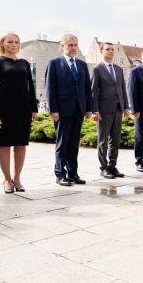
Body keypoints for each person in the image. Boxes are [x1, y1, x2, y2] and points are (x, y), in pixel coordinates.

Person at [0, 32, 38, 193]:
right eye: (10, 42)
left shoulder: (24, 63)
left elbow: (31, 85)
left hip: (23, 108)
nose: (14, 44)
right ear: (3, 44)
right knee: (4, 144)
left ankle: (17, 178)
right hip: (4, 109)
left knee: (21, 144)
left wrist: (34, 108)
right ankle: (7, 179)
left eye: (16, 42)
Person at [45, 34, 92, 186]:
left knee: (73, 144)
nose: (73, 48)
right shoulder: (54, 64)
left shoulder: (82, 65)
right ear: (63, 45)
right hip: (62, 111)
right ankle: (60, 174)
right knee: (62, 143)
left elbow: (87, 89)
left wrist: (88, 109)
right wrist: (53, 110)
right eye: (70, 45)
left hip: (78, 110)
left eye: (75, 45)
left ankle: (73, 173)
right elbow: (50, 89)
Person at [91, 42, 129, 179]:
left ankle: (112, 166)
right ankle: (103, 168)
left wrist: (126, 107)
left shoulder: (118, 69)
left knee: (116, 140)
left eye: (112, 49)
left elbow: (122, 88)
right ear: (101, 51)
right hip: (104, 111)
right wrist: (95, 110)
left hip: (118, 109)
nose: (111, 51)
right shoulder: (97, 69)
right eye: (107, 49)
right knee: (103, 141)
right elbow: (93, 92)